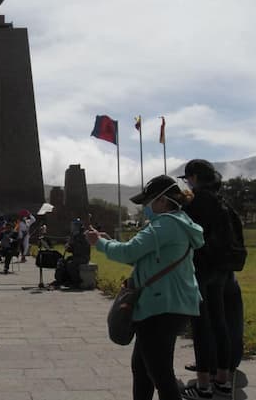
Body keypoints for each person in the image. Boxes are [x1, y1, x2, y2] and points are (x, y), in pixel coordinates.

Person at [85, 175, 203, 400]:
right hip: (170, 304)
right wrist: (110, 242)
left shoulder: (164, 225)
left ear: (162, 200)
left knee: (160, 374)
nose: (145, 207)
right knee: (142, 369)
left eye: (147, 201)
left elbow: (129, 252)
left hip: (160, 306)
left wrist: (99, 243)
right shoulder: (180, 222)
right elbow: (143, 258)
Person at [179, 159, 234, 398]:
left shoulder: (197, 202)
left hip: (201, 267)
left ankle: (203, 385)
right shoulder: (222, 202)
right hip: (221, 269)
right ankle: (223, 379)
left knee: (201, 325)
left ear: (194, 178)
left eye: (187, 178)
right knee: (220, 322)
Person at [51, 218, 91, 288]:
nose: (72, 227)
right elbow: (73, 249)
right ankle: (61, 280)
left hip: (84, 257)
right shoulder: (74, 236)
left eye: (74, 226)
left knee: (71, 264)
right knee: (62, 262)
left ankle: (77, 282)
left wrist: (72, 245)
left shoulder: (83, 236)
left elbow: (81, 249)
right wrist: (68, 247)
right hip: (76, 256)